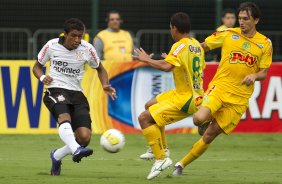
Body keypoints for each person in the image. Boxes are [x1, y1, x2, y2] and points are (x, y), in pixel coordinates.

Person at [173, 2, 273, 176]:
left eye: (245, 19)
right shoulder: (227, 34)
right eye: (240, 18)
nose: (241, 22)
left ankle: (180, 165)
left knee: (210, 135)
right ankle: (205, 119)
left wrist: (254, 76)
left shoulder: (265, 44)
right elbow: (201, 46)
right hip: (220, 87)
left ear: (256, 20)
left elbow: (263, 73)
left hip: (239, 99)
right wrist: (178, 55)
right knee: (198, 119)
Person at [32, 18, 117, 176]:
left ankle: (57, 155)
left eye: (80, 36)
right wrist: (43, 78)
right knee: (64, 117)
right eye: (74, 36)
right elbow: (37, 67)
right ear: (65, 34)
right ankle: (76, 150)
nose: (78, 40)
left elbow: (100, 68)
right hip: (55, 89)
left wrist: (105, 84)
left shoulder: (87, 48)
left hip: (77, 94)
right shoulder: (51, 46)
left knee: (84, 137)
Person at [133, 12, 206, 180]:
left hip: (186, 99)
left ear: (174, 28)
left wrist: (146, 60)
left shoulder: (179, 45)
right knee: (149, 106)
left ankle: (161, 159)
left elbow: (166, 67)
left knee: (144, 119)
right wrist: (171, 62)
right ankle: (161, 148)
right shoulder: (196, 45)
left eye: (170, 28)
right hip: (189, 93)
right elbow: (184, 66)